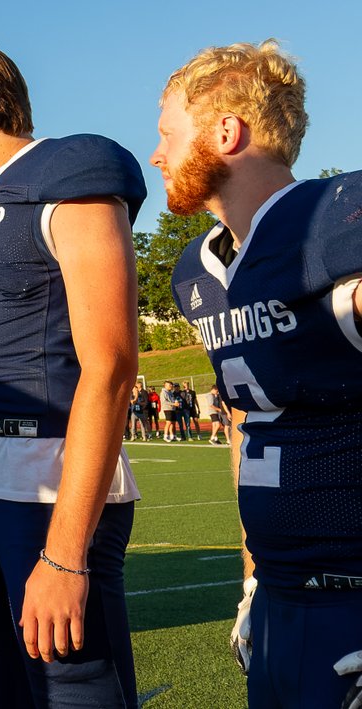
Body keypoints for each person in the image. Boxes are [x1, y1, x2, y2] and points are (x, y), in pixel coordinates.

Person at [0, 44, 145, 707]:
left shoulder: (67, 175)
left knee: (72, 686)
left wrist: (66, 552)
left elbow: (112, 365)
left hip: (47, 471)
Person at [157, 39, 362, 707]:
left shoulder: (336, 223)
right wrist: (252, 581)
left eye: (167, 133)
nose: (158, 154)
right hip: (276, 599)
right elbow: (249, 424)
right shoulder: (198, 272)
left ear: (225, 130)